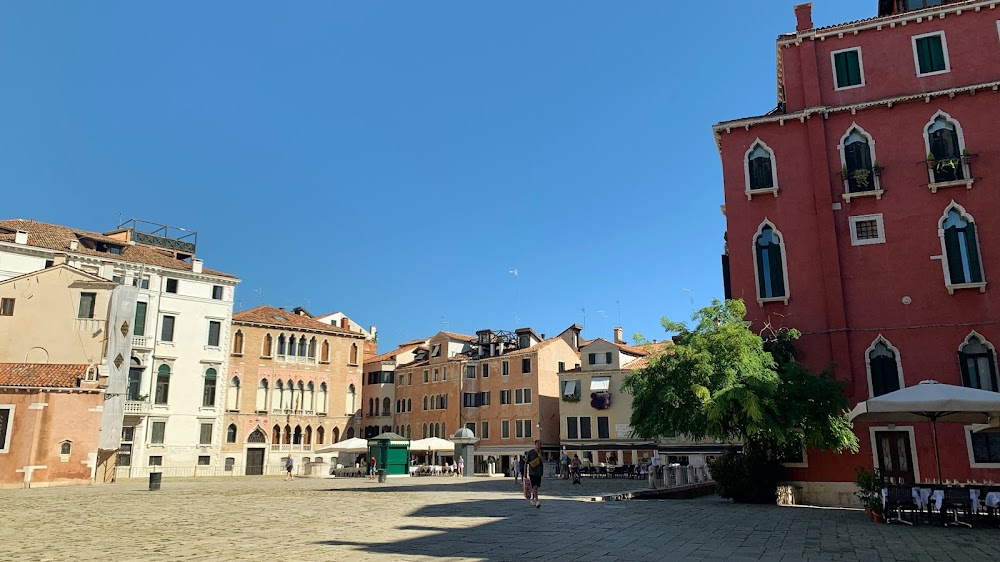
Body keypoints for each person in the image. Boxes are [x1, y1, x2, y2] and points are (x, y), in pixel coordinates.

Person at [525, 440, 544, 508]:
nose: (539, 445)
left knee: (536, 487)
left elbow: (543, 460)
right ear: (535, 444)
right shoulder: (530, 452)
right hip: (532, 472)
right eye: (538, 443)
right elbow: (526, 463)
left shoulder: (542, 452)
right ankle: (537, 501)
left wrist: (539, 454)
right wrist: (524, 474)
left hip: (539, 472)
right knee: (535, 487)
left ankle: (533, 499)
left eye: (540, 444)